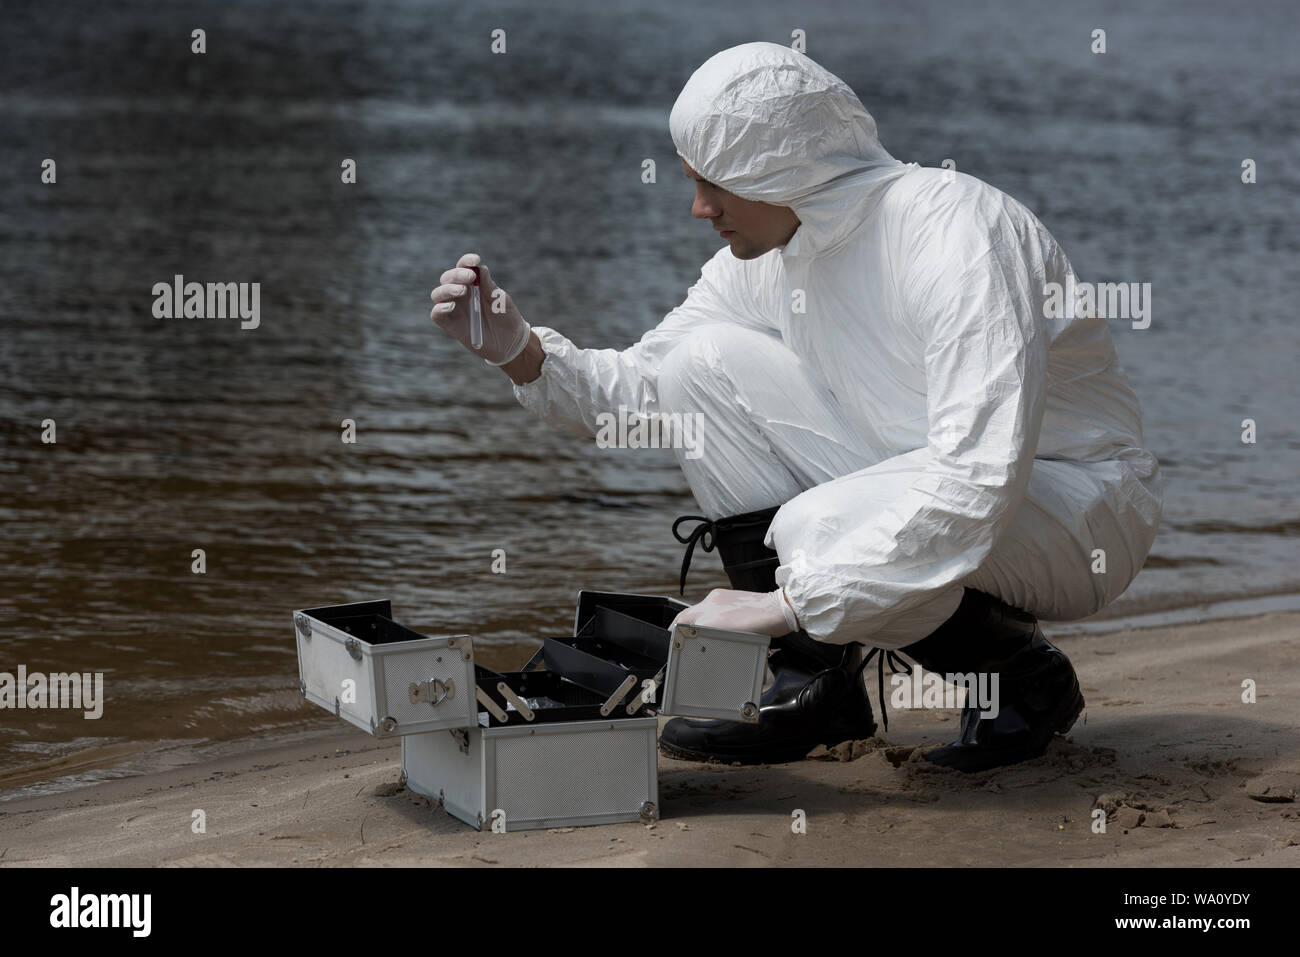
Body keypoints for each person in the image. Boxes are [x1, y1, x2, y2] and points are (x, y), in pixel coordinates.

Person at [429, 42, 1163, 773]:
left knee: (816, 523)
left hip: (1078, 501)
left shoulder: (957, 234)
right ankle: (813, 685)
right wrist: (517, 348)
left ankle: (1018, 678)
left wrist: (785, 607)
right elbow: (650, 390)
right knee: (698, 367)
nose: (698, 209)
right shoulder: (777, 252)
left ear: (778, 170)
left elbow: (978, 479)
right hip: (921, 471)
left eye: (713, 184)